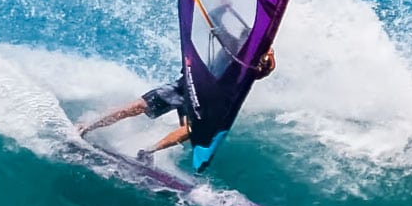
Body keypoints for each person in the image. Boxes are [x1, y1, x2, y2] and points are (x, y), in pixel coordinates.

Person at [77, 49, 275, 162]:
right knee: (138, 108)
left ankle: (146, 151)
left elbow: (258, 74)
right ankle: (89, 128)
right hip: (189, 89)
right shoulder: (229, 47)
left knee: (188, 128)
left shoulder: (249, 60)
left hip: (197, 94)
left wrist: (267, 63)